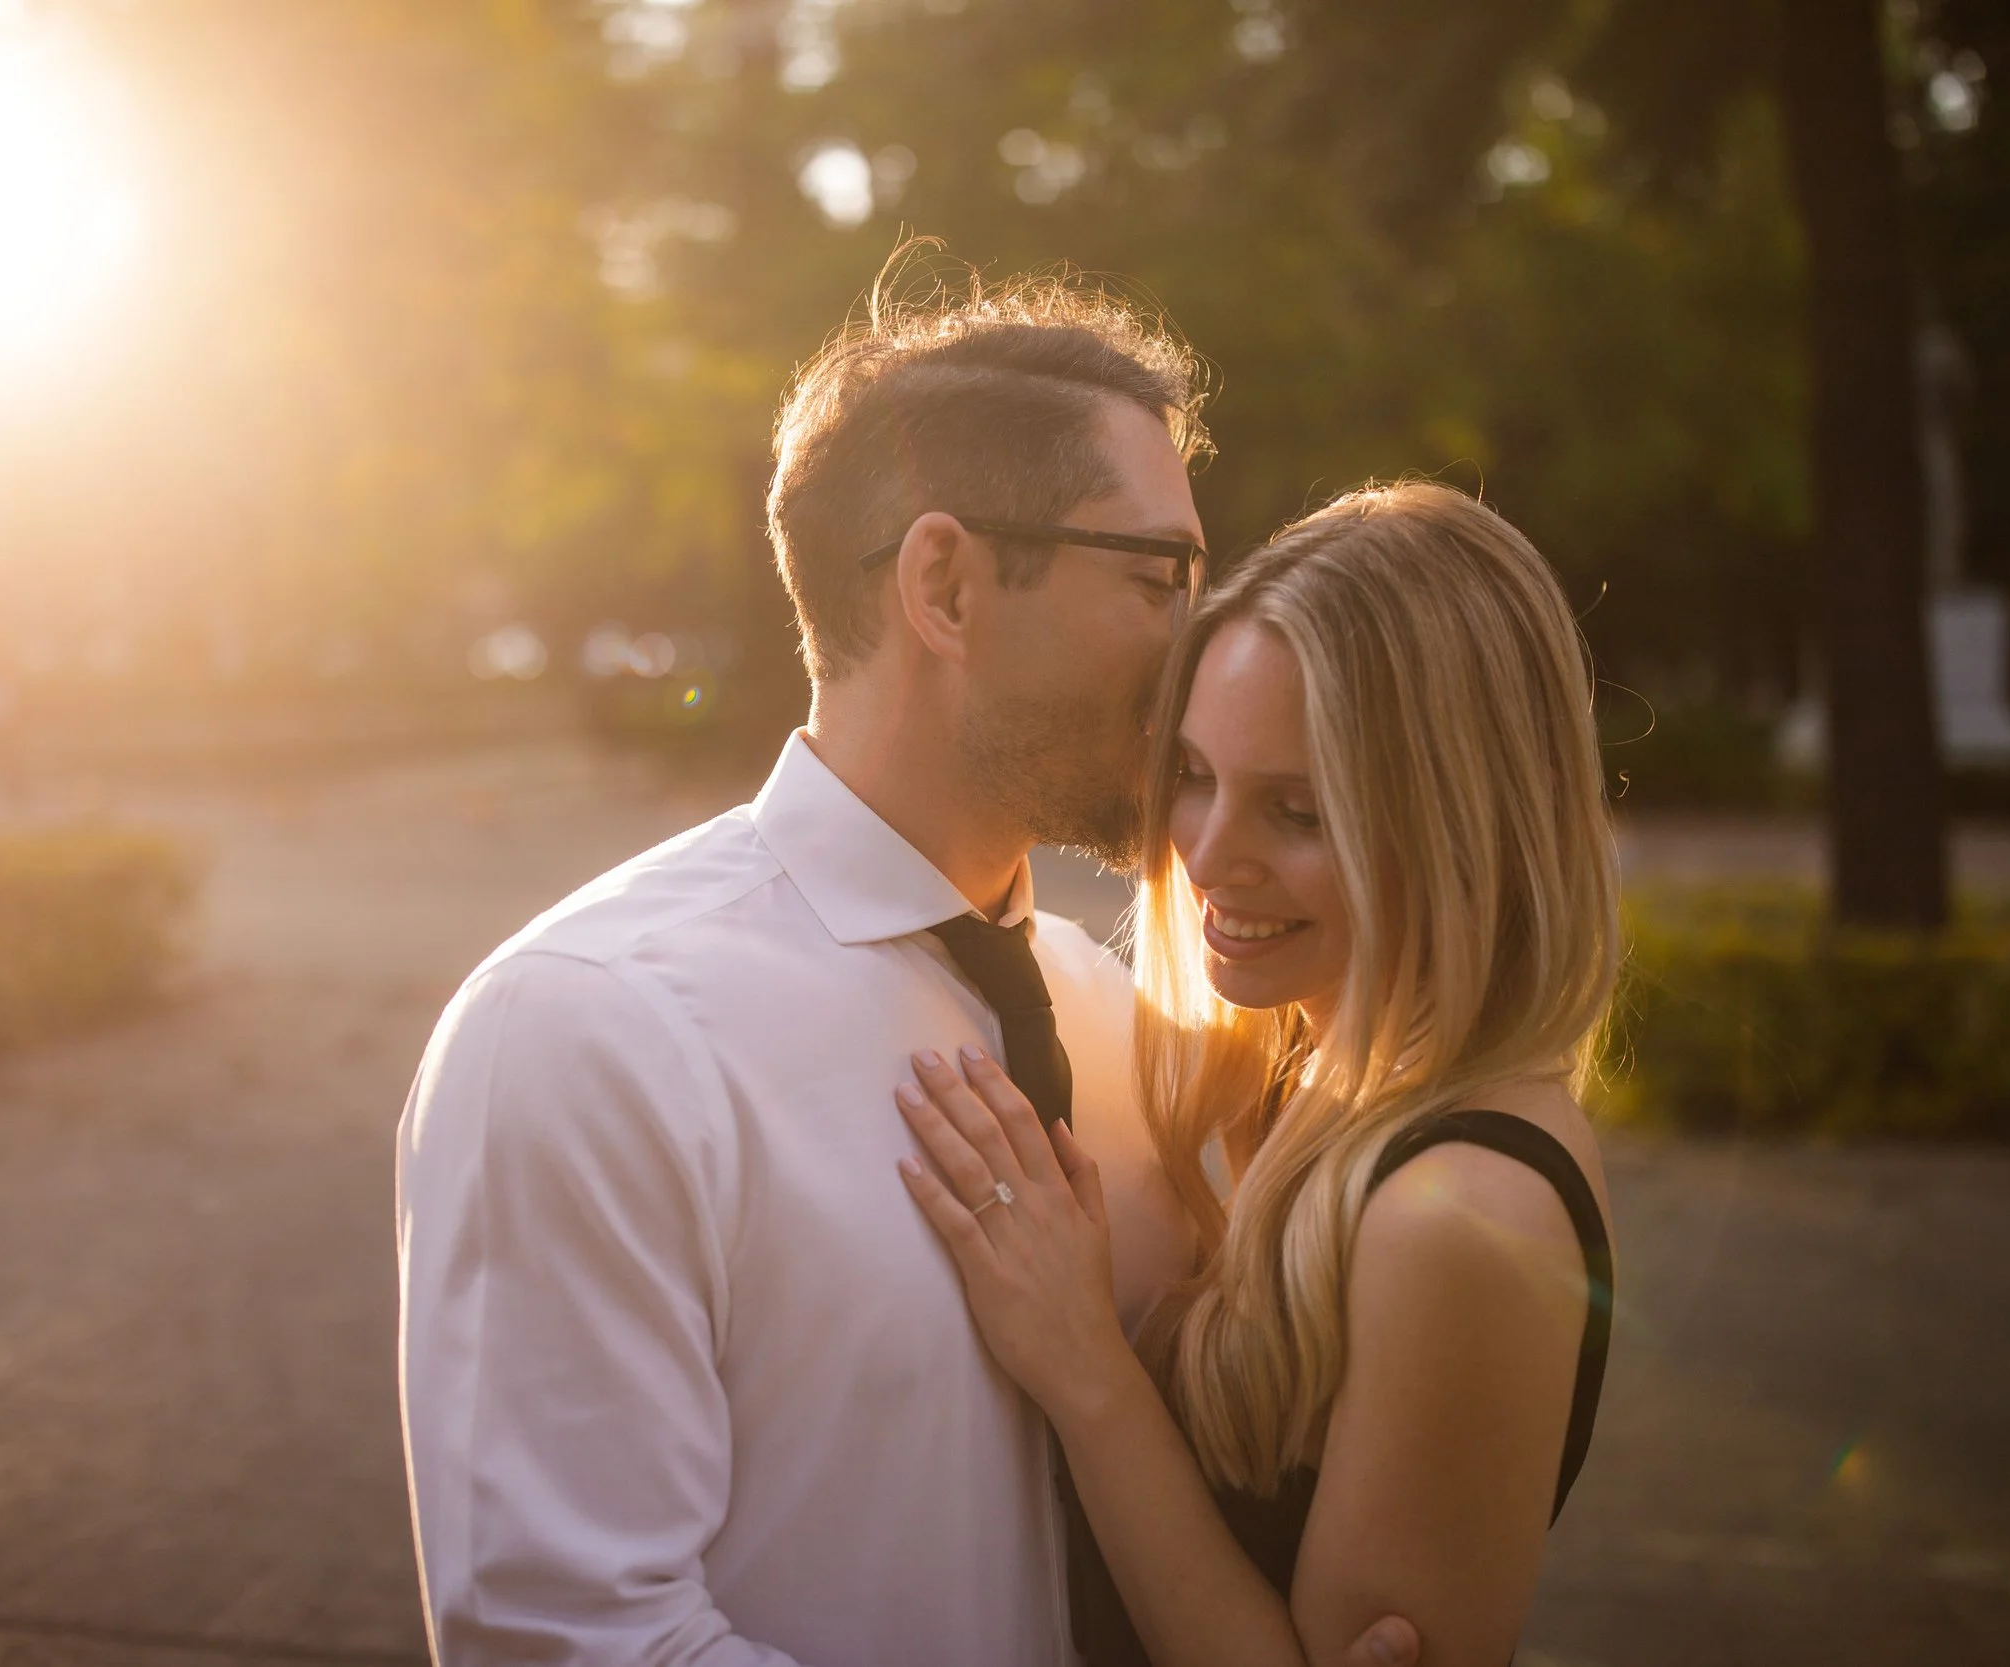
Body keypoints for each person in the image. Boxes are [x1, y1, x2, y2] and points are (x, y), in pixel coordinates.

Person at [397, 258, 1423, 1666]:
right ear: (945, 582)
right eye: (1157, 579)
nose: (1204, 649)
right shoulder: (591, 1034)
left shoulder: (1122, 1018)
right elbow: (568, 1636)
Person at [894, 481, 1621, 1667]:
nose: (1205, 852)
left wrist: (1085, 1367)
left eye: (1295, 809)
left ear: (1461, 822)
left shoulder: (1462, 1211)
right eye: (1190, 772)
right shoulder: (1298, 1080)